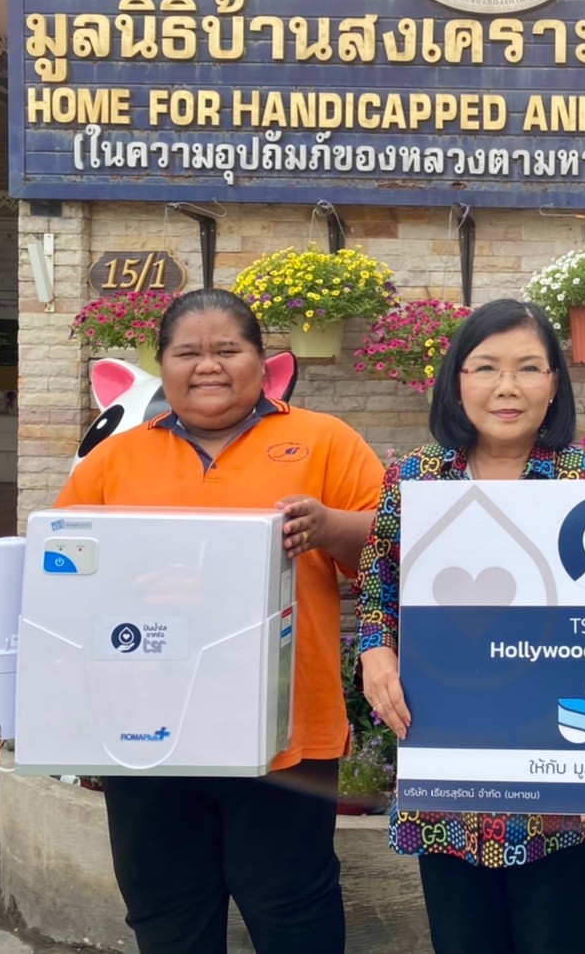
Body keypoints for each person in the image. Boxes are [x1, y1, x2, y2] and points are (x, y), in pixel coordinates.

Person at [54, 287, 384, 954]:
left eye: (227, 349)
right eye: (188, 353)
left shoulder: (325, 441)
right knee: (166, 912)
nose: (208, 365)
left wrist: (328, 527)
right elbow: (62, 575)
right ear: (162, 365)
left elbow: (389, 557)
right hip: (145, 731)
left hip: (285, 732)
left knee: (294, 908)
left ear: (264, 363)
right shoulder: (114, 460)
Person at [356, 298, 585, 954]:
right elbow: (379, 582)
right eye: (486, 367)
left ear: (555, 384)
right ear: (457, 380)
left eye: (529, 368)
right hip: (451, 773)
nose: (508, 387)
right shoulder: (415, 480)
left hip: (562, 780)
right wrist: (375, 650)